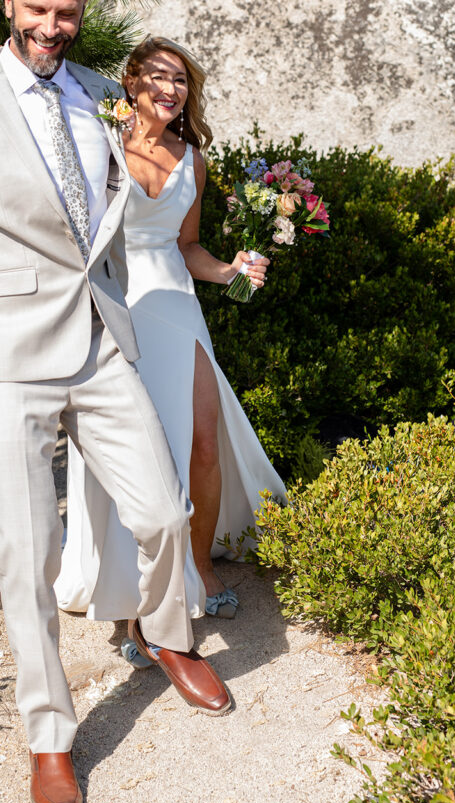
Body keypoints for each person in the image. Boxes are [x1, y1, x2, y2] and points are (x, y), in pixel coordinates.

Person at [0, 0, 232, 803]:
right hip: (5, 354)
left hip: (97, 339)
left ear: (82, 12)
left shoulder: (95, 95)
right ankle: (49, 735)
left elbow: (124, 206)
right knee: (30, 554)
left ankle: (163, 635)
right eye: (36, 10)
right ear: (10, 1)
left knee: (160, 511)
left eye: (66, 14)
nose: (50, 27)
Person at [56, 37, 286, 640]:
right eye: (157, 75)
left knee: (202, 442)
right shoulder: (101, 145)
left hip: (177, 307)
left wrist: (231, 270)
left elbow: (186, 248)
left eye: (181, 80)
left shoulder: (193, 160)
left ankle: (202, 567)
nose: (170, 88)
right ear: (131, 82)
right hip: (117, 305)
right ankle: (132, 594)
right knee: (135, 453)